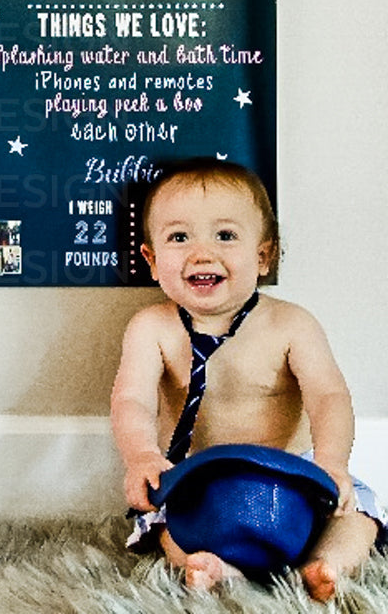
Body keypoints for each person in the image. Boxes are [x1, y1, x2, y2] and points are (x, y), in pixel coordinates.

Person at [110, 158, 385, 602]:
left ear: (262, 256)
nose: (202, 252)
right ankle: (218, 568)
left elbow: (329, 396)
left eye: (225, 235)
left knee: (360, 515)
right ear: (152, 260)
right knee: (167, 529)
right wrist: (141, 456)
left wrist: (331, 462)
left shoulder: (291, 324)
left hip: (294, 479)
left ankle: (327, 563)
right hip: (200, 483)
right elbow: (131, 401)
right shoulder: (151, 328)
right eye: (179, 237)